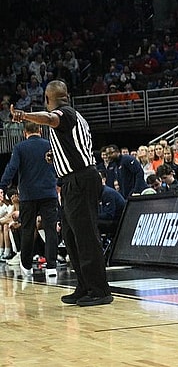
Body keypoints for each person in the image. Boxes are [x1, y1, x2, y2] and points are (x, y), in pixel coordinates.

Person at [9, 80, 112, 306]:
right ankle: (84, 285)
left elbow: (49, 119)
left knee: (85, 236)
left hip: (81, 180)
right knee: (71, 236)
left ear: (48, 99)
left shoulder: (63, 114)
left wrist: (24, 115)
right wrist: (54, 156)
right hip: (71, 181)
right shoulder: (72, 117)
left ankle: (100, 290)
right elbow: (72, 147)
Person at [0, 121, 59, 278]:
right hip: (49, 193)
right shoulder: (50, 145)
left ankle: (26, 266)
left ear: (24, 133)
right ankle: (51, 266)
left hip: (28, 195)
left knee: (27, 229)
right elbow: (59, 167)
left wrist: (2, 186)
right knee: (50, 229)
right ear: (40, 130)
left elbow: (12, 168)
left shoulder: (20, 147)